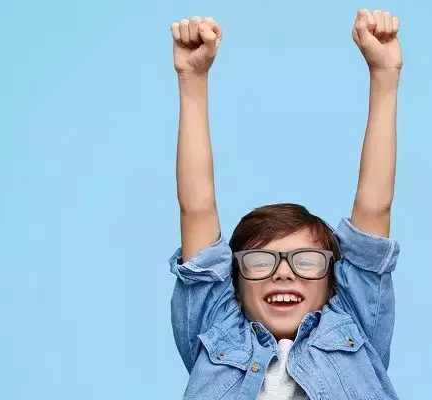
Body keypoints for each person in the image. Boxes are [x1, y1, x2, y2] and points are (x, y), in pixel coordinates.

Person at [169, 8, 403, 399]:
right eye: (260, 261)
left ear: (333, 283)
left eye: (306, 261)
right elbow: (197, 208)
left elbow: (374, 207)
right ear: (235, 283)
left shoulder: (356, 322)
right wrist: (192, 79)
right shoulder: (214, 329)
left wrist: (384, 74)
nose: (283, 273)